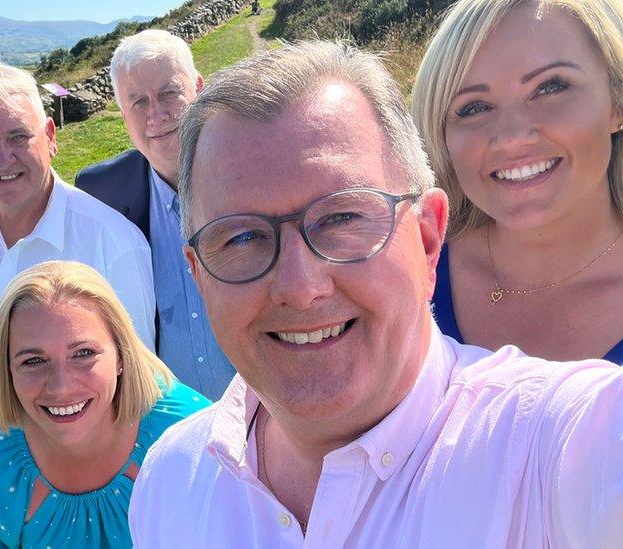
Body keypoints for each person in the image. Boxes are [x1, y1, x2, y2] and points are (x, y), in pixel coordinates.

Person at [128, 41, 623, 547]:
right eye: (241, 237)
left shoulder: (556, 443)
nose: (300, 288)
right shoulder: (170, 480)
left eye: (342, 217)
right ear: (198, 274)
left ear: (429, 239)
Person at [0, 60, 155, 465]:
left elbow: (138, 382)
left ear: (49, 136)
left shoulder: (112, 240)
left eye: (18, 136)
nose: (2, 159)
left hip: (75, 465)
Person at [411, 0, 623, 362]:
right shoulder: (408, 273)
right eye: (474, 107)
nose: (511, 137)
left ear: (616, 103)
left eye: (550, 87)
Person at [0, 261, 209, 548]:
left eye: (83, 353)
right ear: (7, 370)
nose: (61, 387)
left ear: (121, 355)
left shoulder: (196, 437)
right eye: (33, 361)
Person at [76, 30, 235, 401]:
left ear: (198, 88)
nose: (156, 115)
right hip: (160, 425)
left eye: (169, 94)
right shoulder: (100, 194)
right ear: (122, 112)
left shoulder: (250, 171)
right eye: (138, 102)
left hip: (264, 418)